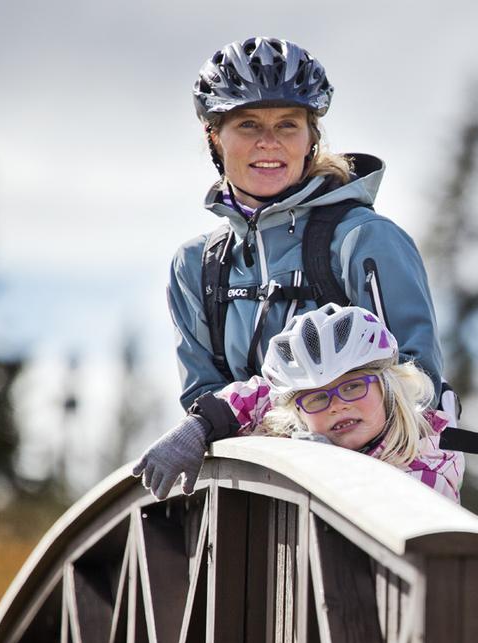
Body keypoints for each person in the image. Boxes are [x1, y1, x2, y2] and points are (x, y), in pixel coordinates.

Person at [169, 36, 443, 412]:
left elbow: (416, 384)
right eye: (248, 124)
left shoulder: (363, 239)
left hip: (365, 464)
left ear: (312, 137)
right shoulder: (196, 266)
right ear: (214, 137)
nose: (269, 142)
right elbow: (203, 400)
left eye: (287, 125)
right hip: (251, 470)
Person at [134, 305, 463, 502]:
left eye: (352, 387)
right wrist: (200, 423)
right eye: (317, 397)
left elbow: (387, 509)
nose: (336, 406)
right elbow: (259, 397)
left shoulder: (430, 459)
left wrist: (326, 466)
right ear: (297, 414)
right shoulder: (295, 424)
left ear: (388, 388)